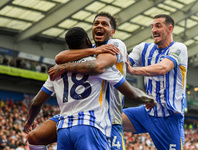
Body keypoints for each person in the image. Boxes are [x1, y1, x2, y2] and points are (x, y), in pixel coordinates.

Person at [24, 27, 156, 150]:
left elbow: (36, 102)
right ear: (88, 41)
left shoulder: (56, 71)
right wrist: (149, 99)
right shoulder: (98, 66)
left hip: (63, 129)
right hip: (88, 126)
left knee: (34, 138)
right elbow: (132, 94)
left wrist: (29, 122)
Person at [48, 11, 129, 150]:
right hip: (87, 120)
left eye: (104, 24)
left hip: (111, 120)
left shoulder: (116, 44)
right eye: (96, 23)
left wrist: (64, 67)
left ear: (112, 31)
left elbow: (98, 65)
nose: (99, 26)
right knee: (35, 136)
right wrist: (93, 51)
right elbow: (59, 57)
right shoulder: (89, 51)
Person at [122, 14, 188, 150]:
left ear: (170, 29)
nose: (153, 30)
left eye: (158, 26)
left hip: (170, 118)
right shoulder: (143, 48)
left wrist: (133, 70)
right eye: (152, 26)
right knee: (110, 120)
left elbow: (163, 68)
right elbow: (123, 65)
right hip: (147, 113)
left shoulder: (179, 48)